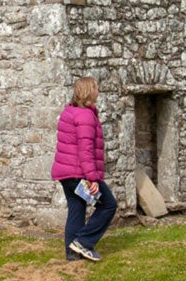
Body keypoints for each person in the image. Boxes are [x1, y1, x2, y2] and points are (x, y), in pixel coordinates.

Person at [51, 76, 117, 262]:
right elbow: (85, 150)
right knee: (108, 205)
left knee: (76, 209)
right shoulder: (85, 116)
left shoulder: (70, 111)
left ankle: (72, 254)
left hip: (66, 174)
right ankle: (83, 242)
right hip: (79, 174)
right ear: (89, 91)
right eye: (96, 87)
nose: (98, 91)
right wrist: (92, 179)